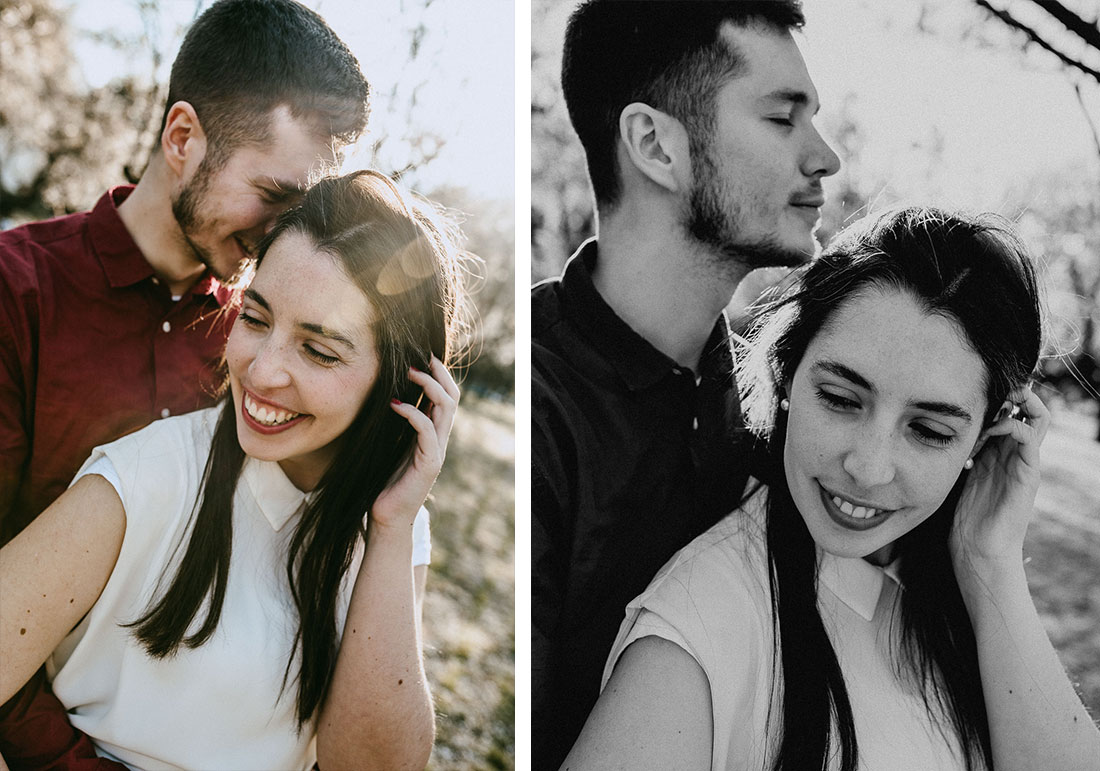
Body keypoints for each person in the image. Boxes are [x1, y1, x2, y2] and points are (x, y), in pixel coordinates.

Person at [563, 207, 1100, 771]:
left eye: (929, 430)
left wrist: (990, 564)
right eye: (841, 399)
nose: (868, 468)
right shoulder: (695, 637)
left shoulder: (961, 589)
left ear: (983, 441)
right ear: (787, 372)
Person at [0, 0, 369, 764]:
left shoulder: (269, 356)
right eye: (273, 199)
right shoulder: (17, 293)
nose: (284, 236)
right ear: (182, 138)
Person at [0, 170, 466, 770]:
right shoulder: (144, 475)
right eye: (255, 318)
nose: (262, 371)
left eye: (319, 350)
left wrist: (394, 527)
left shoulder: (395, 527)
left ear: (402, 383)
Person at [531, 1, 840, 764]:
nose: (825, 156)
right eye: (782, 118)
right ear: (654, 145)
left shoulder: (773, 396)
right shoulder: (538, 411)